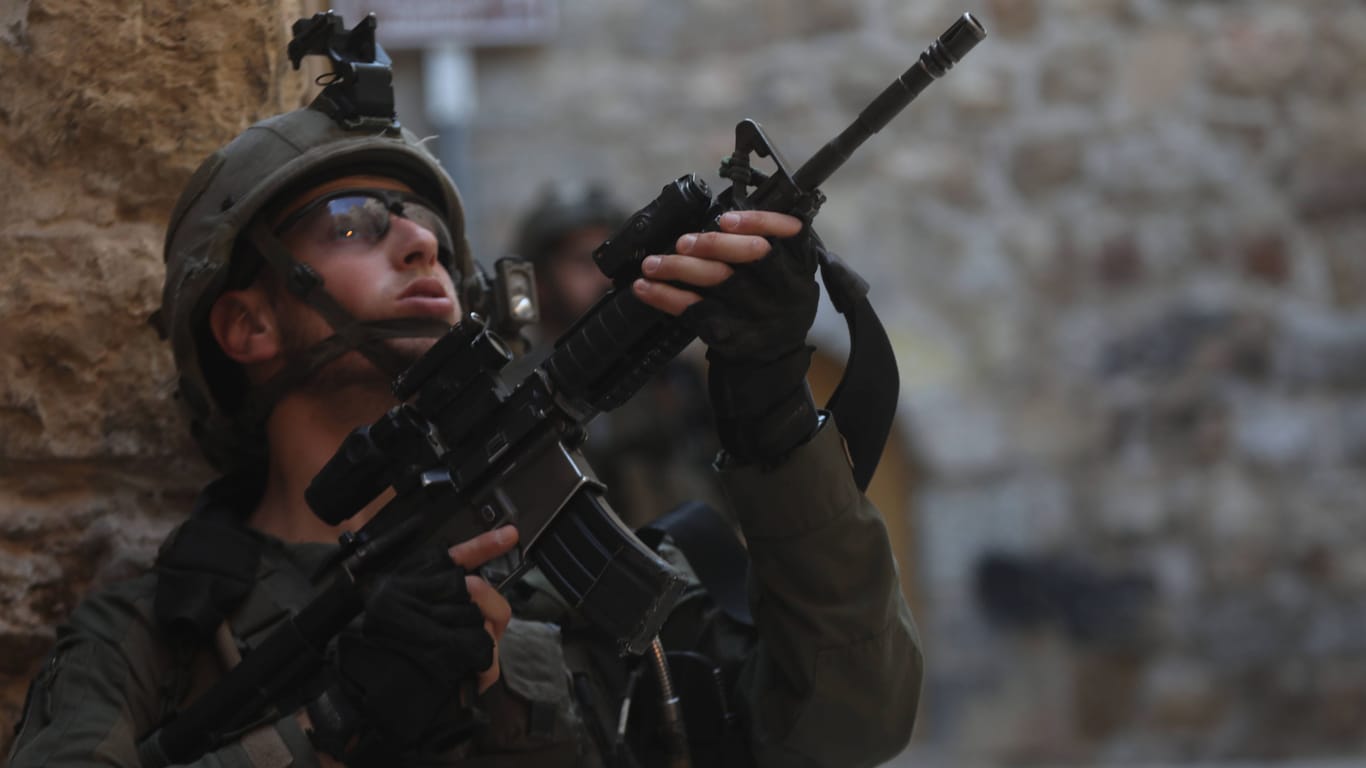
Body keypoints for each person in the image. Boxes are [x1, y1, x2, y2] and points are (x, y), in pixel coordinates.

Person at [7, 34, 922, 768]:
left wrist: (769, 413)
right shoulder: (151, 637)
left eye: (434, 232)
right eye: (354, 223)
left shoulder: (571, 585)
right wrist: (334, 719)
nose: (417, 245)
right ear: (248, 326)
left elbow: (845, 730)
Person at [509, 183, 724, 528]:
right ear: (540, 283)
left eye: (612, 257)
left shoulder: (675, 374)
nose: (603, 278)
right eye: (583, 262)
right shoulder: (523, 392)